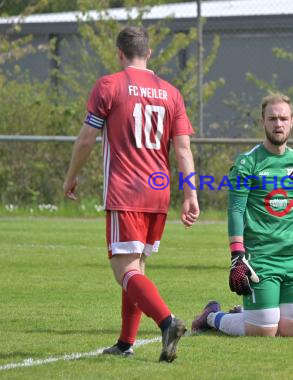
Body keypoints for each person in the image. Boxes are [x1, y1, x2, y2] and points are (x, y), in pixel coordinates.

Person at [63, 26, 199, 362]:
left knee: (124, 270)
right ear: (149, 53)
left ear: (120, 53)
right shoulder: (171, 92)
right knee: (136, 267)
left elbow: (85, 140)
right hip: (158, 194)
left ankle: (167, 322)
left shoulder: (109, 85)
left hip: (125, 191)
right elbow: (182, 148)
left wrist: (71, 176)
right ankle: (126, 342)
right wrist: (191, 193)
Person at [191, 94, 293, 337]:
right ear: (263, 121)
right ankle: (211, 316)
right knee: (262, 332)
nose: (278, 124)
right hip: (261, 259)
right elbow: (236, 210)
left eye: (284, 118)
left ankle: (251, 308)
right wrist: (237, 257)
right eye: (272, 118)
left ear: (292, 121)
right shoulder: (247, 163)